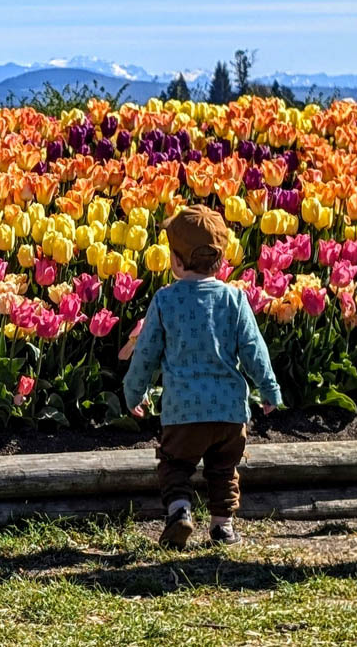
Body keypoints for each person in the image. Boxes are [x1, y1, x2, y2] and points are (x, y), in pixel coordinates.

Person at [123, 205, 281, 549]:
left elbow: (146, 354)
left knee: (174, 464)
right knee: (224, 470)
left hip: (182, 413)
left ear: (175, 262)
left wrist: (134, 393)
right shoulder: (235, 298)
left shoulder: (166, 300)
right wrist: (269, 390)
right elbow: (254, 349)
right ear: (222, 262)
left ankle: (179, 510)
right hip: (229, 413)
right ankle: (223, 527)